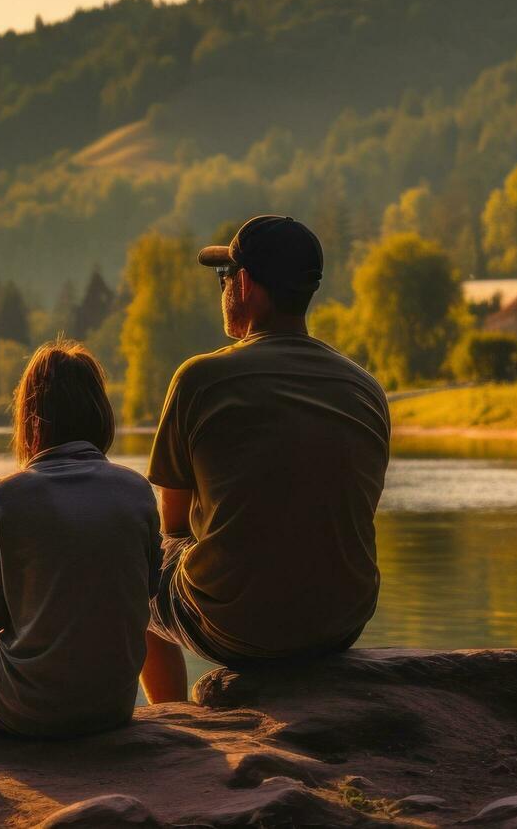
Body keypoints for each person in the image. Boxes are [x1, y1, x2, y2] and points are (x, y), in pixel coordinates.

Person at [140, 215, 390, 703]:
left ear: (246, 284)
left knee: (134, 562)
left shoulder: (200, 379)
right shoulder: (366, 389)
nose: (223, 288)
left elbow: (171, 529)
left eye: (224, 276)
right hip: (342, 623)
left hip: (238, 631)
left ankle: (170, 725)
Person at [0, 339, 161, 736]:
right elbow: (147, 588)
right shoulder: (135, 489)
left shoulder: (7, 495)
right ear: (100, 414)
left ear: (31, 418)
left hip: (34, 710)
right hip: (114, 706)